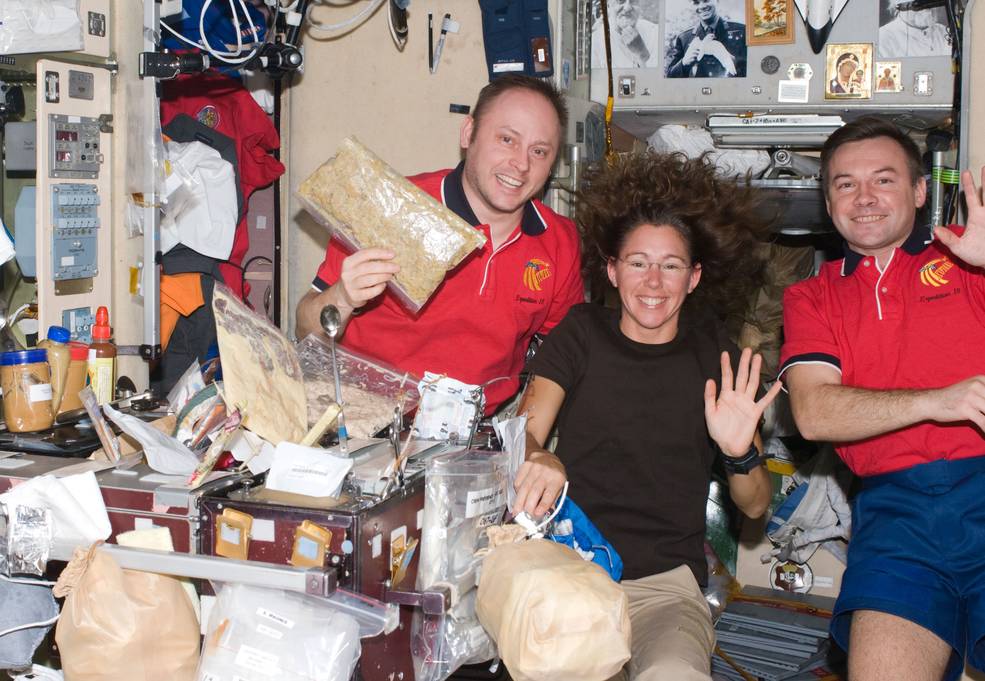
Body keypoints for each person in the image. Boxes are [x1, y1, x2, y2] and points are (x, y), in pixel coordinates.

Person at [513, 151, 780, 681]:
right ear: (612, 270)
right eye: (638, 262)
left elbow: (756, 508)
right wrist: (542, 456)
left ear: (695, 277)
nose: (653, 282)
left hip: (665, 591)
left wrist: (738, 452)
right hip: (571, 573)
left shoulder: (716, 359)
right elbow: (523, 431)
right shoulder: (582, 332)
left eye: (671, 265)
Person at [779, 116, 985, 681]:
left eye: (884, 180)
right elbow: (814, 413)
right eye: (845, 183)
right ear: (828, 201)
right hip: (895, 518)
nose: (864, 197)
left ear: (920, 192)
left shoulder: (970, 264)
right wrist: (936, 401)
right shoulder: (811, 297)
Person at [295, 75, 584, 413]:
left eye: (539, 151)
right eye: (507, 139)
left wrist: (529, 440)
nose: (521, 164)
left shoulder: (559, 241)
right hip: (361, 422)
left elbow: (561, 358)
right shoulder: (393, 208)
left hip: (477, 434)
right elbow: (305, 329)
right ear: (468, 134)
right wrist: (343, 298)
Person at [666, 0, 746, 78]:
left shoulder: (741, 30)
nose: (702, 6)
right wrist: (683, 63)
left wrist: (732, 60)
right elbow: (670, 77)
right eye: (696, 2)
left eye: (706, 0)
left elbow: (753, 72)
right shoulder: (684, 38)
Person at [591, 0, 661, 69]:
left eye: (633, 1)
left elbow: (660, 77)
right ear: (607, 4)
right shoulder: (595, 43)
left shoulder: (654, 33)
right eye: (621, 1)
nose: (627, 7)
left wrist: (642, 53)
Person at [879, 0, 950, 58]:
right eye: (919, 3)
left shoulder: (944, 32)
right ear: (901, 6)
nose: (927, 8)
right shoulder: (882, 39)